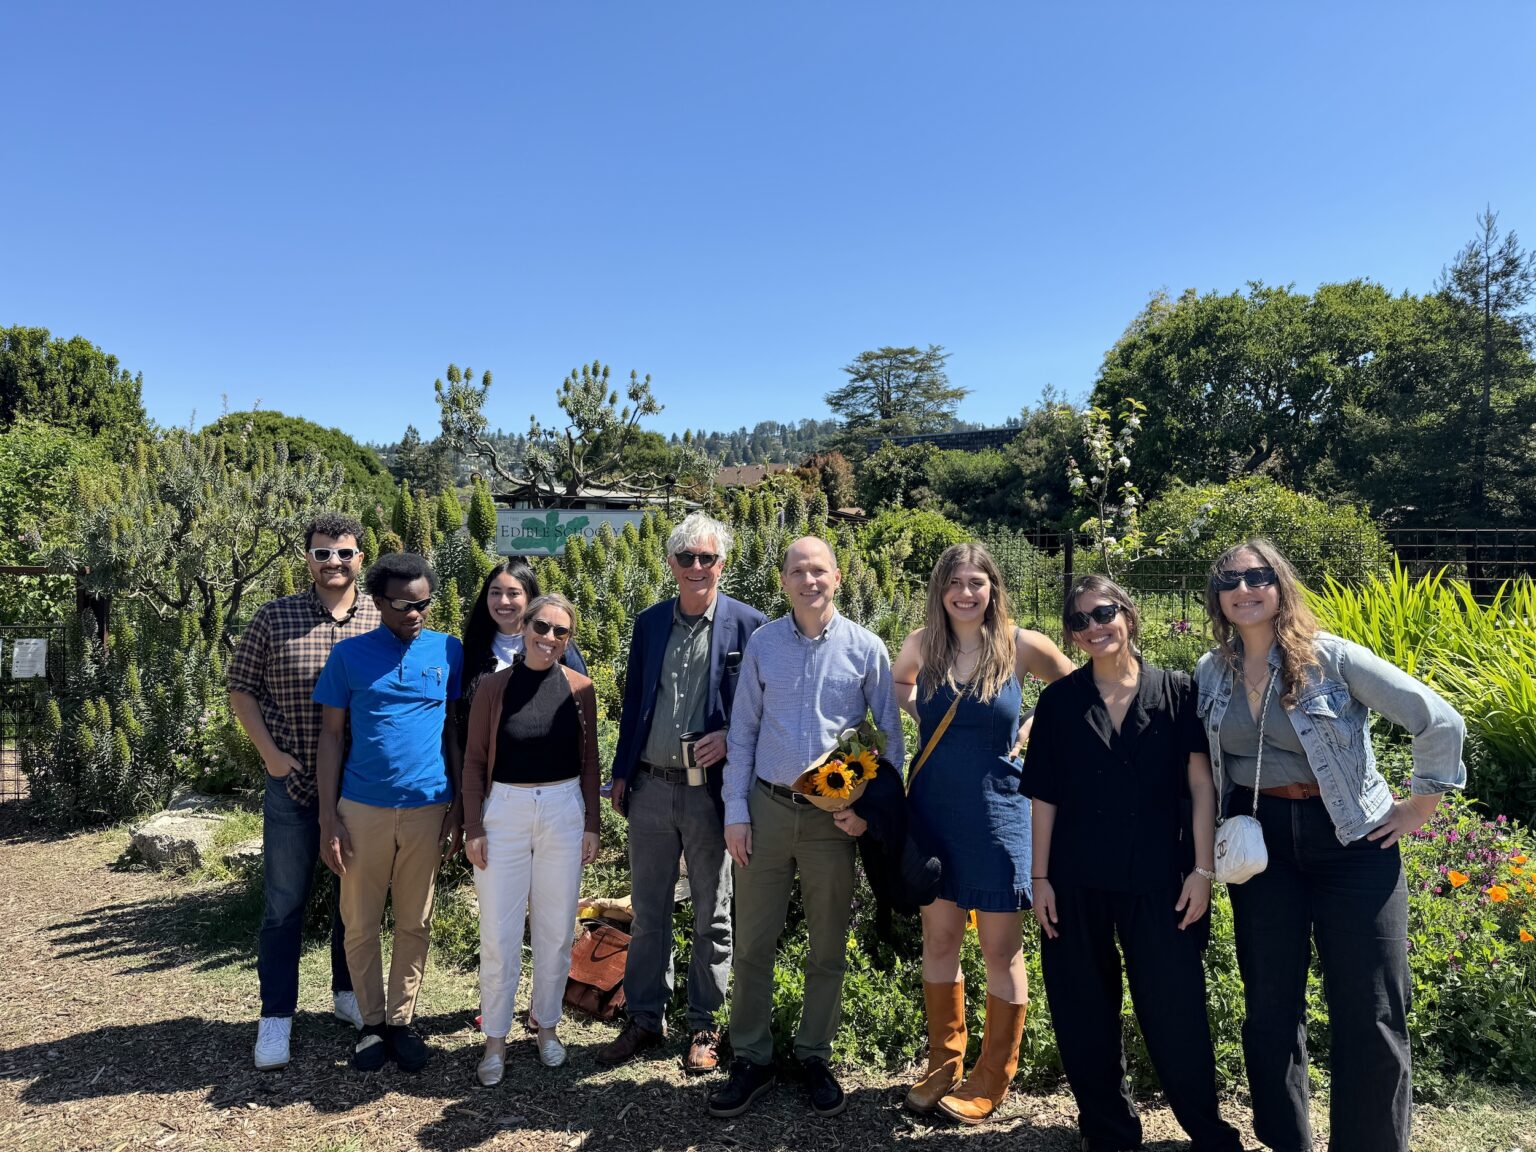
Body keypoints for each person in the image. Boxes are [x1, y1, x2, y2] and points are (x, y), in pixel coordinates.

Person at [1194, 538, 1465, 1152]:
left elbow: (1439, 719)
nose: (1244, 588)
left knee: (1369, 1006)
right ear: (1218, 597)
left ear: (1280, 584)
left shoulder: (1331, 659)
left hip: (1352, 843)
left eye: (1258, 576)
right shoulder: (1212, 671)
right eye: (1230, 580)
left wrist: (1420, 804)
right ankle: (1286, 1141)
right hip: (1262, 849)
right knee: (1269, 1006)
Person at [1026, 575, 1242, 1152]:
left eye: (1103, 613)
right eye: (1079, 621)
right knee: (1082, 1013)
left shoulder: (1176, 691)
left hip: (1161, 880)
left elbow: (1202, 788)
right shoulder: (1060, 702)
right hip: (1074, 880)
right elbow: (1043, 796)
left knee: (1176, 1012)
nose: (1094, 627)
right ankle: (1110, 1133)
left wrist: (1201, 870)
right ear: (1071, 637)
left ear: (1128, 614)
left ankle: (1207, 1131)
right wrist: (1039, 878)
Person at [708, 536, 906, 1119]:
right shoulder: (764, 645)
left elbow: (889, 736)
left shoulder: (866, 648)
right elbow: (741, 733)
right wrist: (736, 815)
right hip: (766, 811)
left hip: (832, 821)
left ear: (837, 578)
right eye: (798, 570)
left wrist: (864, 807)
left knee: (826, 946)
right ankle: (751, 1058)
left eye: (818, 570)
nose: (809, 579)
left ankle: (814, 1054)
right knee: (753, 944)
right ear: (784, 580)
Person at [890, 542, 1074, 1123]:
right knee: (940, 941)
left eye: (976, 582)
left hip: (999, 816)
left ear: (993, 588)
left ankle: (993, 1075)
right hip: (934, 814)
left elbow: (1074, 686)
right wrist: (919, 713)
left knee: (1001, 948)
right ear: (939, 591)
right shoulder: (923, 645)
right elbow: (899, 684)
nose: (965, 593)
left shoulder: (1020, 645)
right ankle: (944, 1062)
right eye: (954, 583)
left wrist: (1031, 728)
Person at [595, 513, 766, 1073]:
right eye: (686, 557)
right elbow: (634, 703)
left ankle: (705, 1024)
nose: (697, 567)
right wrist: (622, 773)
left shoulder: (749, 625)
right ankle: (644, 1017)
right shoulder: (648, 624)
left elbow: (763, 711)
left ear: (723, 563)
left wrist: (728, 736)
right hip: (650, 786)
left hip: (710, 795)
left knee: (712, 915)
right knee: (647, 911)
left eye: (707, 558)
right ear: (670, 564)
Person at [230, 512, 378, 1071]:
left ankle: (347, 993)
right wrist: (270, 755)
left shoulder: (381, 617)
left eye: (343, 552)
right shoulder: (276, 616)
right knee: (283, 906)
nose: (333, 562)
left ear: (360, 557)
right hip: (292, 785)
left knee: (355, 902)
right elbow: (241, 689)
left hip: (362, 790)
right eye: (322, 553)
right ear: (307, 559)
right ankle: (275, 1017)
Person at [314, 552, 464, 1073]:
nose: (415, 613)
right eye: (403, 604)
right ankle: (371, 1025)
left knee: (414, 921)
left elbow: (453, 734)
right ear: (379, 603)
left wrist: (459, 807)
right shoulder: (349, 656)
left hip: (428, 808)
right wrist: (327, 818)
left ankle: (401, 1022)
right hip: (361, 810)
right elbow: (331, 739)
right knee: (359, 922)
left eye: (424, 603)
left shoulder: (449, 651)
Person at [462, 593, 601, 1086]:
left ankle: (546, 1027)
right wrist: (473, 826)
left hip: (564, 811)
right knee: (499, 934)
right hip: (505, 811)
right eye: (541, 627)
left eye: (561, 632)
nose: (549, 638)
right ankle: (495, 1039)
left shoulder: (581, 688)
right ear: (524, 627)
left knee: (556, 930)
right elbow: (475, 760)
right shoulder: (493, 688)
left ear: (569, 640)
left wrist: (592, 824)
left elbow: (589, 764)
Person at [460, 559, 590, 708]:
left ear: (529, 598)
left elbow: (582, 698)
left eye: (513, 593)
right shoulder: (472, 649)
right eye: (495, 592)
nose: (503, 601)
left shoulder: (556, 644)